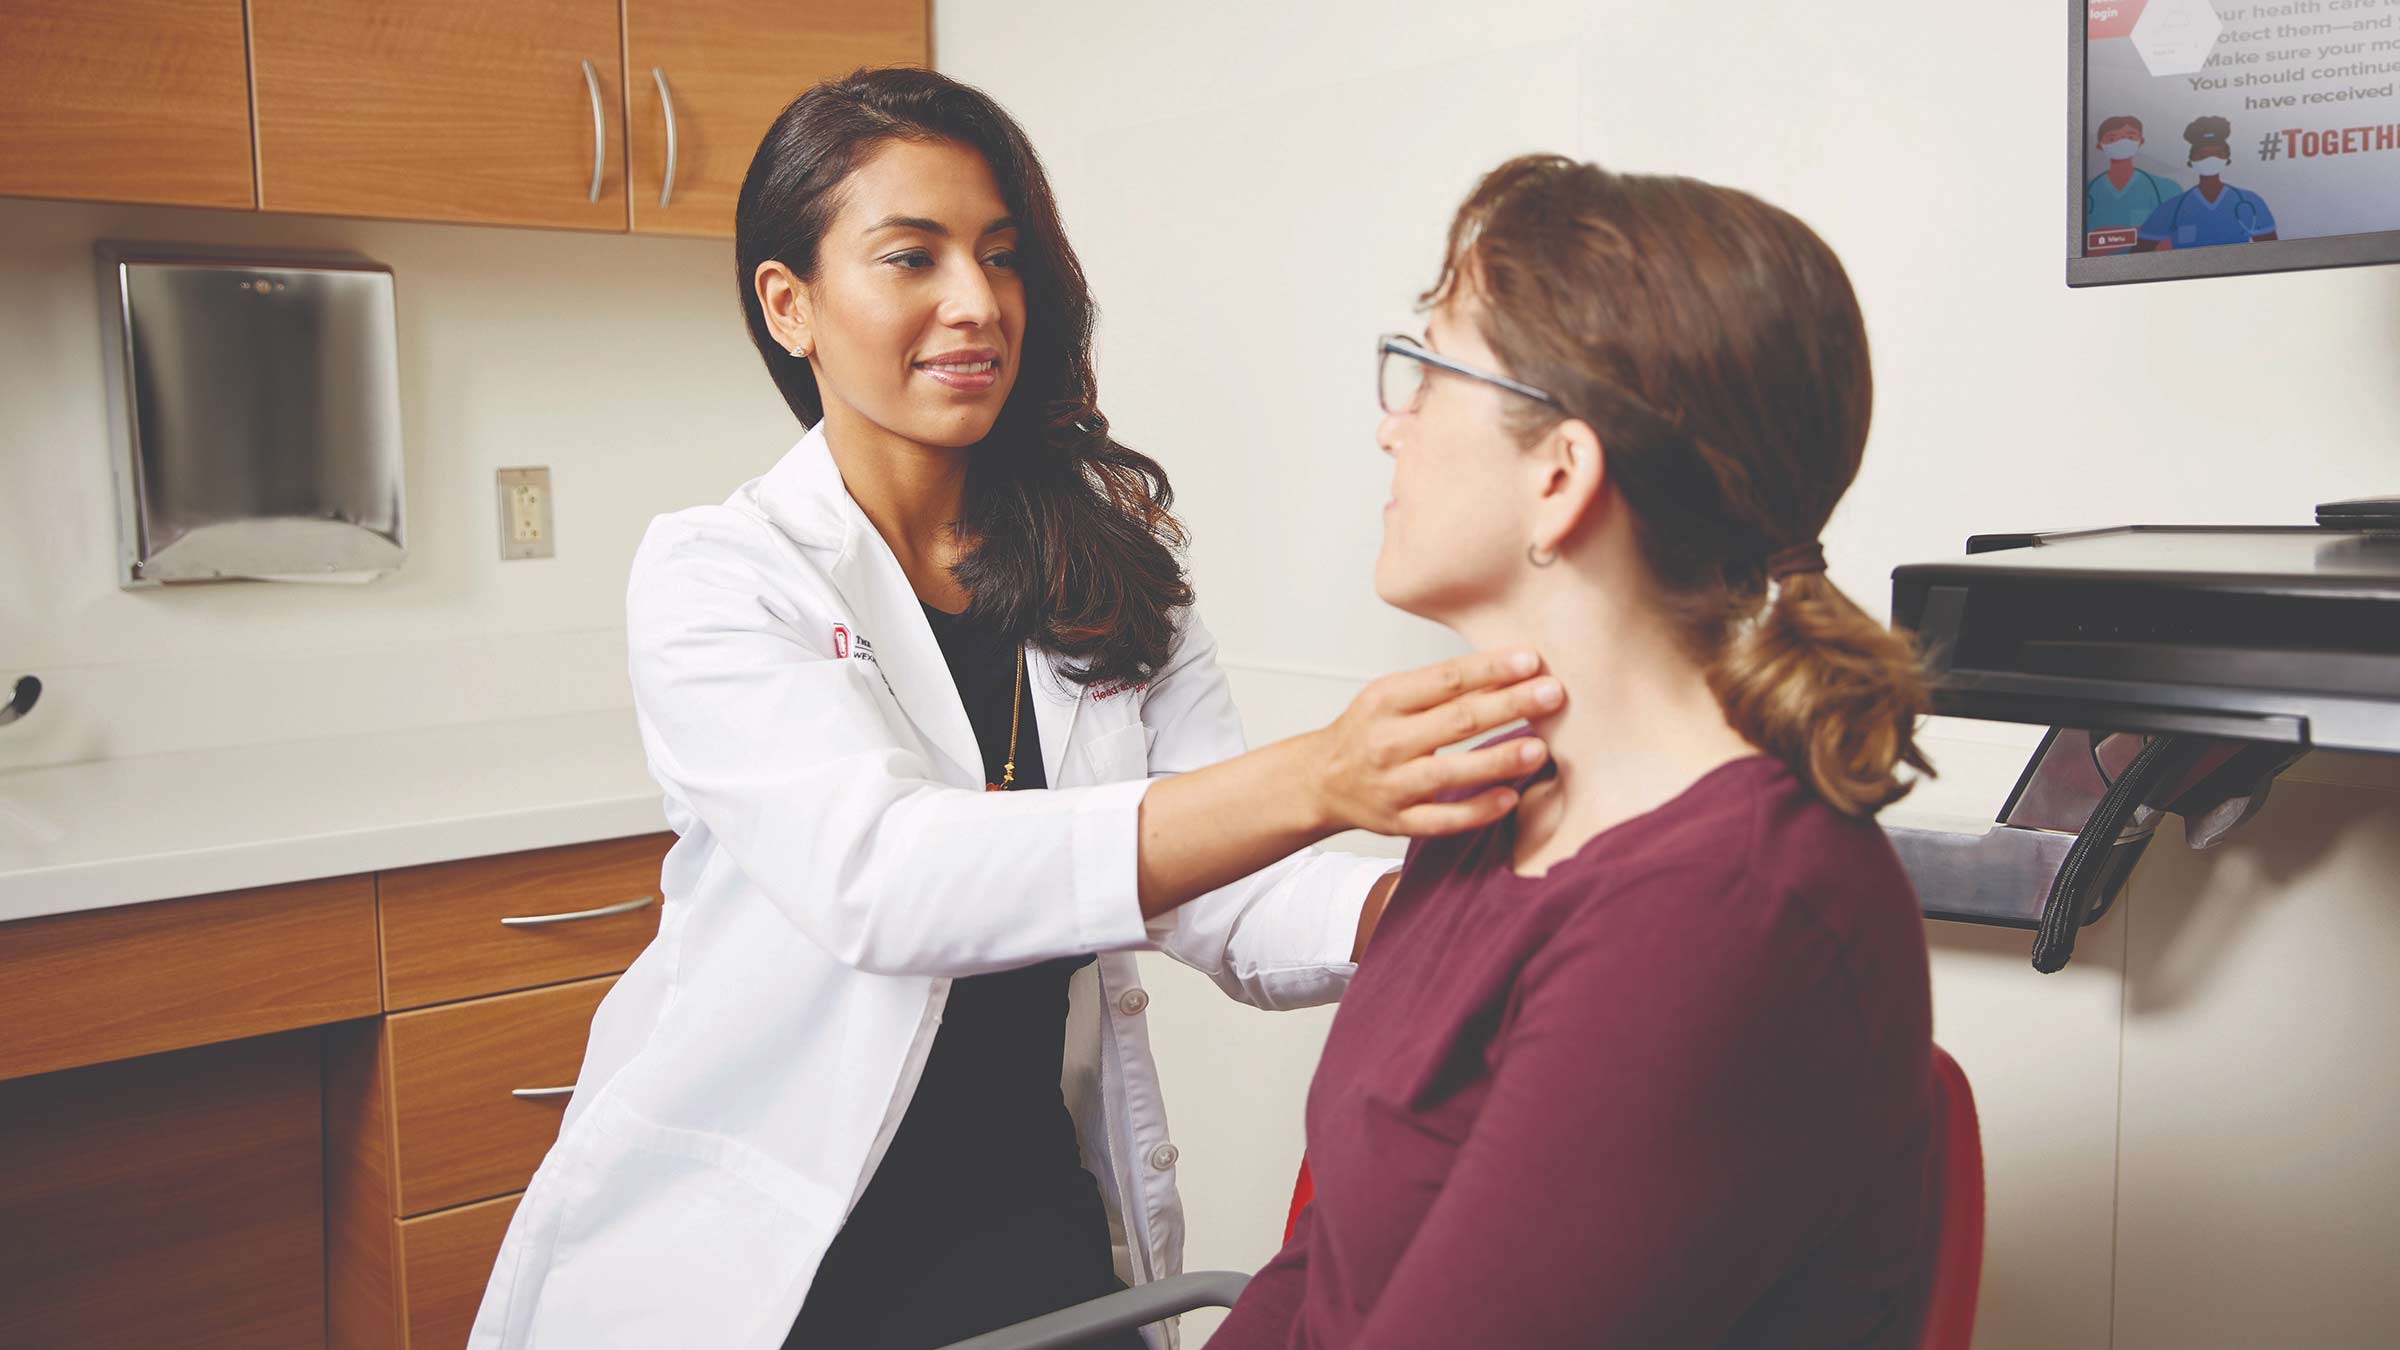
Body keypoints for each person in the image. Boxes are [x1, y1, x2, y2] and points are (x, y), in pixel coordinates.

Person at [466, 69, 1557, 1350]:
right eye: (910, 259)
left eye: (1000, 256)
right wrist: (1324, 773)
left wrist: (1428, 913)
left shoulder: (1106, 577)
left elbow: (1222, 888)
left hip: (1027, 1227)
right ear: (791, 305)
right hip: (785, 1249)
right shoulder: (720, 574)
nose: (975, 304)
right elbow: (887, 880)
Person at [1210, 155, 1941, 1348]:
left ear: (1561, 476)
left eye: (1428, 371)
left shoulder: (1727, 910)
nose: (1388, 426)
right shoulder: (1500, 803)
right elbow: (1325, 1262)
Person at [2134, 115, 2278, 252]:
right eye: (2203, 155)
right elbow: (2140, 252)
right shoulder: (2173, 207)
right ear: (2191, 161)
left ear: (2227, 159)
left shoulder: (2248, 202)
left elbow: (2271, 253)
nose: (2210, 159)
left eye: (2218, 154)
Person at [2083, 114, 2179, 252]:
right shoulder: (2085, 192)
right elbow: (2086, 247)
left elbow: (2172, 241)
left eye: (2130, 137)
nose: (2122, 141)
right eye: (2112, 138)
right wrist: (2140, 233)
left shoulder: (2166, 188)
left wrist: (2112, 236)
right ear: (2099, 145)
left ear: (2141, 141)